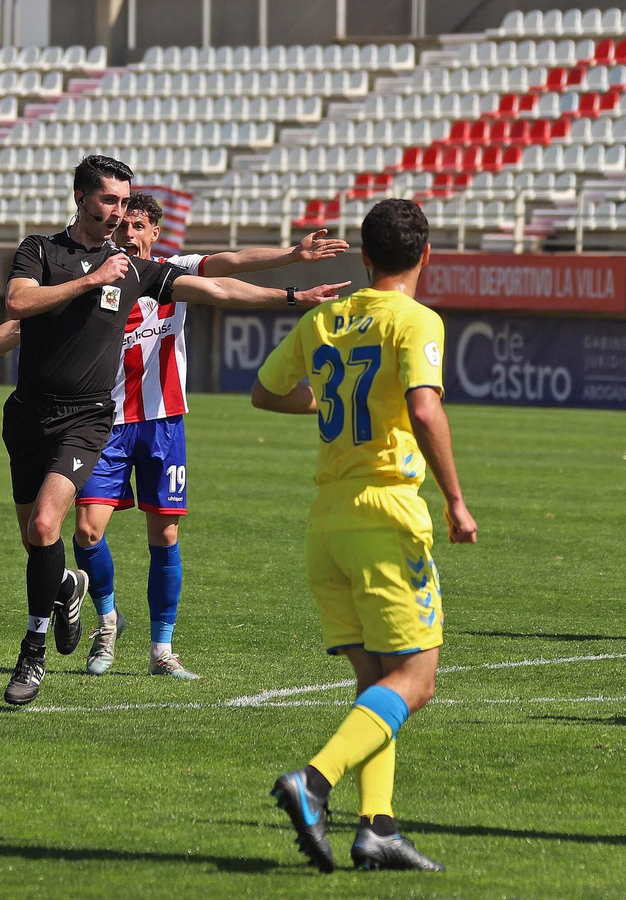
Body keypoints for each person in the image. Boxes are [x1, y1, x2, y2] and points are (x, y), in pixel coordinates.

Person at [0, 191, 349, 680]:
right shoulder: (94, 279)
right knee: (84, 530)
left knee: (164, 534)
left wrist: (291, 260)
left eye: (140, 226)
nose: (130, 234)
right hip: (103, 424)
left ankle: (162, 649)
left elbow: (228, 269)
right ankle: (106, 622)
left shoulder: (169, 271)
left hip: (164, 423)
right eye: (124, 226)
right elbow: (19, 329)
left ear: (155, 233)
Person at [252, 198, 477, 873]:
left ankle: (377, 827)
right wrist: (457, 500)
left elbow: (266, 392)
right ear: (426, 256)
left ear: (365, 255)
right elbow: (423, 404)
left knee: (374, 680)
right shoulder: (415, 318)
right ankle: (314, 782)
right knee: (417, 678)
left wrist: (321, 403)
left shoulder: (325, 318)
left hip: (328, 517)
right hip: (386, 512)